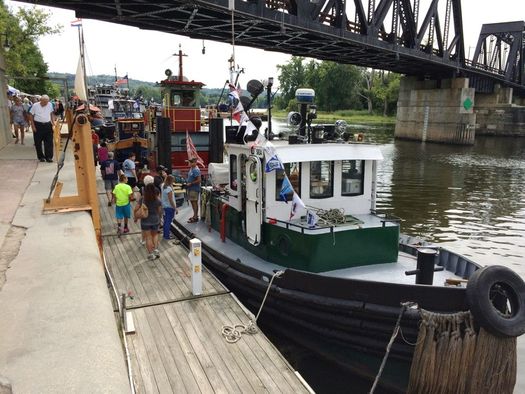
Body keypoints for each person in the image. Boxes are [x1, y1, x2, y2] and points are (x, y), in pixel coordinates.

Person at [29, 94, 56, 162]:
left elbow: (51, 113)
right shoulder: (35, 105)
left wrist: (53, 122)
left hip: (47, 125)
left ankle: (49, 157)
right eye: (44, 101)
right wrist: (33, 126)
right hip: (38, 125)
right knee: (38, 142)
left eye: (47, 101)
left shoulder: (50, 104)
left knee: (49, 142)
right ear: (40, 100)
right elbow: (31, 115)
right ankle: (41, 157)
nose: (46, 103)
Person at [139, 183, 163, 260]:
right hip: (155, 220)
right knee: (155, 235)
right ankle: (155, 249)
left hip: (145, 221)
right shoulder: (158, 200)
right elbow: (159, 211)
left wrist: (136, 216)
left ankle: (151, 254)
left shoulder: (143, 199)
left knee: (148, 237)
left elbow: (136, 208)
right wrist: (159, 219)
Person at [161, 175, 178, 240]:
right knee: (168, 222)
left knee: (165, 221)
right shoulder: (169, 189)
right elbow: (171, 200)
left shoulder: (163, 186)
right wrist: (175, 208)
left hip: (164, 206)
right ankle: (167, 236)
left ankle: (165, 234)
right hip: (169, 207)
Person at [186, 157, 201, 223]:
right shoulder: (191, 169)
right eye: (190, 162)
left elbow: (199, 180)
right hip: (190, 188)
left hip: (194, 189)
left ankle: (195, 217)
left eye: (191, 162)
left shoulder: (196, 170)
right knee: (192, 202)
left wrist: (191, 183)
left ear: (194, 163)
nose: (189, 163)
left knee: (194, 202)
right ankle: (194, 215)